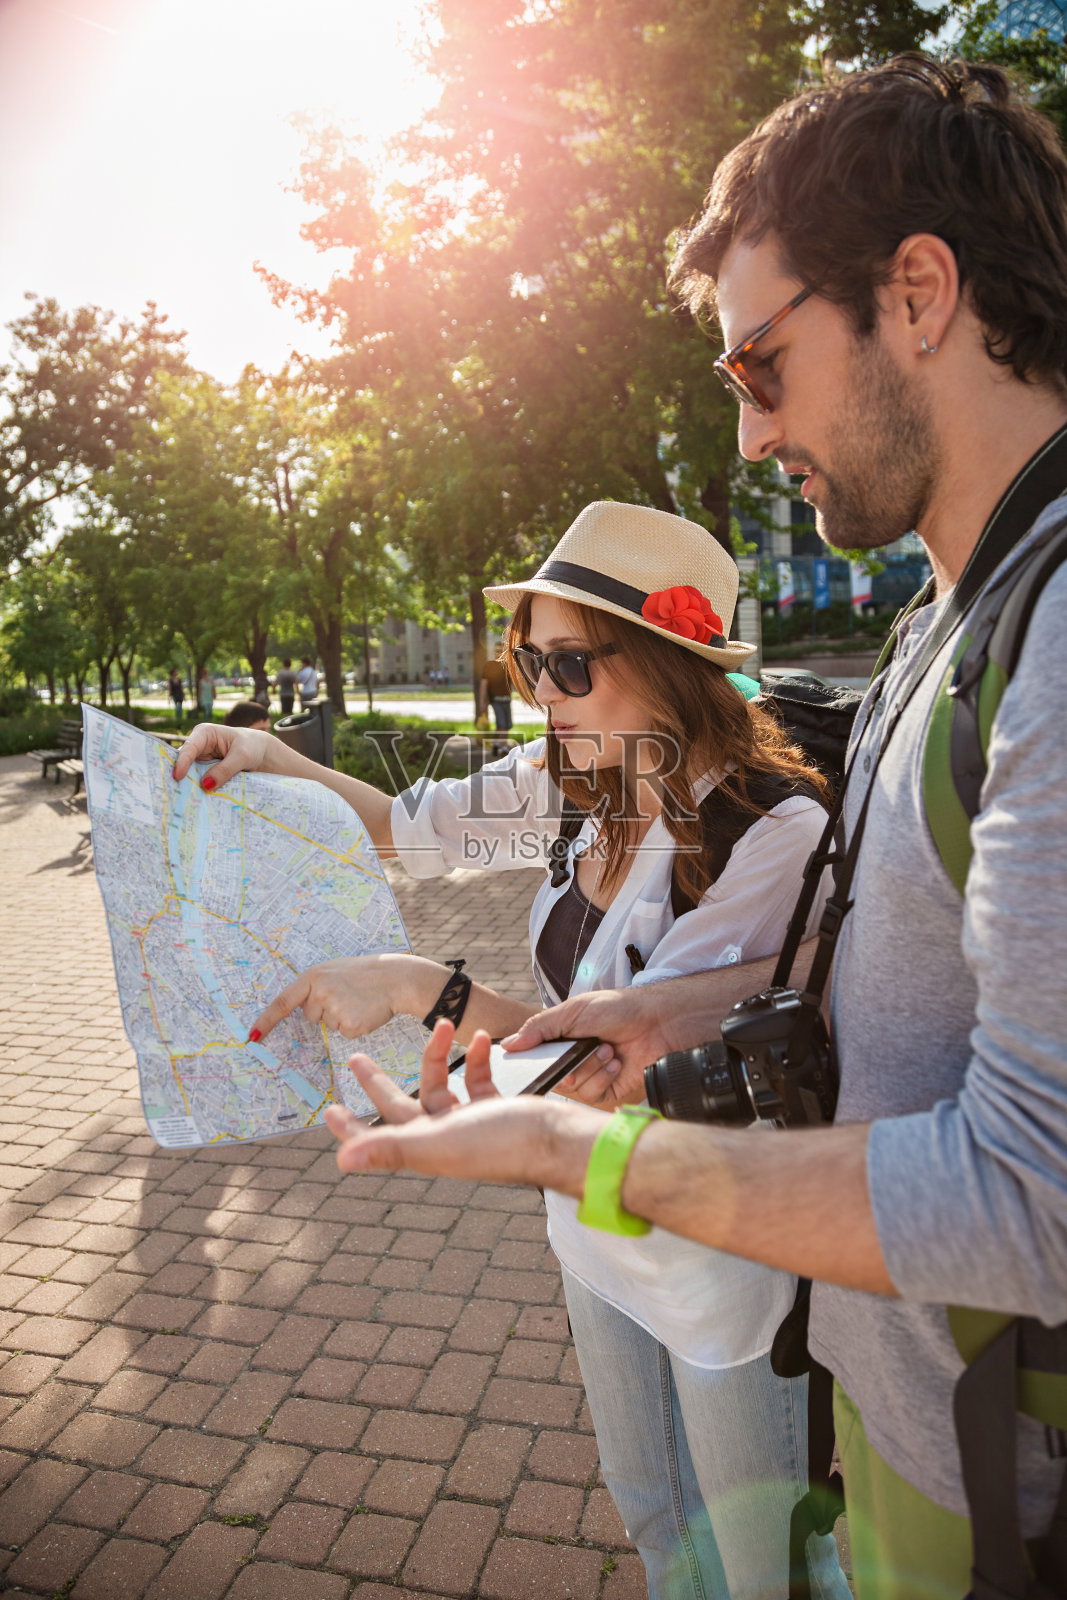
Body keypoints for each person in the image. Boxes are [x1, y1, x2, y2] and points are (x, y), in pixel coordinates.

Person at [309, 56, 1067, 1599]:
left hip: (1002, 1492)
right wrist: (678, 1009)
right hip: (907, 1422)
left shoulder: (1047, 632)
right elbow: (879, 992)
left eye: (754, 368)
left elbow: (1026, 1198)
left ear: (914, 292)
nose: (740, 439)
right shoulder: (946, 619)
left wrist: (580, 1149)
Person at [174, 502, 848, 1600]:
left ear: (675, 663)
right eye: (526, 660)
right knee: (655, 1526)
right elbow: (402, 826)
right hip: (588, 1236)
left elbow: (599, 1062)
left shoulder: (766, 832)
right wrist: (261, 755)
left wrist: (413, 986)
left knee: (767, 1566)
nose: (538, 692)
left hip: (714, 1257)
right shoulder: (567, 786)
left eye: (569, 663)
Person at [478, 650, 514, 757]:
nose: (499, 653)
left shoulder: (508, 666)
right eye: (497, 651)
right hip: (496, 700)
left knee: (507, 725)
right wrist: (482, 701)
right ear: (493, 653)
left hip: (507, 700)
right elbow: (484, 684)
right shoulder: (490, 665)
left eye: (501, 651)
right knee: (501, 723)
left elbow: (512, 684)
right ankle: (495, 744)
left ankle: (502, 747)